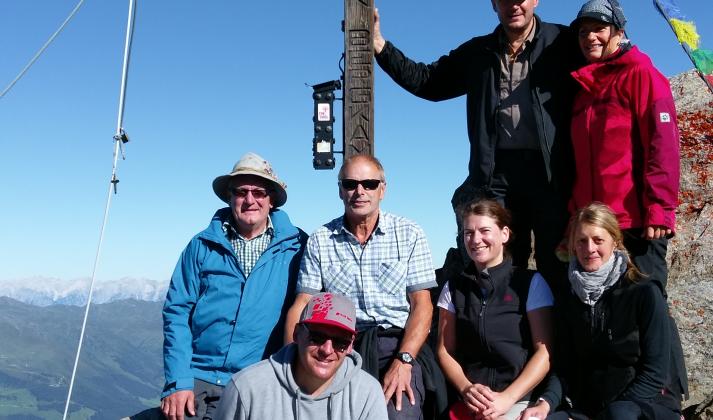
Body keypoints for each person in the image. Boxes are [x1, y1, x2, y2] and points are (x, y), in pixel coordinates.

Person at [373, 0, 581, 292]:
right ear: (494, 4)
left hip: (550, 175)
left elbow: (604, 61)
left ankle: (552, 336)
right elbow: (428, 81)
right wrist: (381, 46)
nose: (514, 5)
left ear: (535, 0)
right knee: (502, 264)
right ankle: (508, 334)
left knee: (555, 263)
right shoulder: (479, 53)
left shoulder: (562, 42)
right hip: (497, 175)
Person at [147, 153, 307, 420]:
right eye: (241, 192)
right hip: (197, 376)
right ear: (230, 197)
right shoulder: (201, 245)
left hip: (261, 378)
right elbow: (177, 313)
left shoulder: (297, 247)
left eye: (259, 192)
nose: (250, 200)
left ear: (272, 200)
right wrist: (178, 382)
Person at [285, 154, 440, 419]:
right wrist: (291, 361)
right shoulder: (321, 239)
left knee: (399, 412)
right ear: (340, 190)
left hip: (396, 343)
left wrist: (404, 361)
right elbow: (302, 304)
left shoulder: (409, 233)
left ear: (383, 189)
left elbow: (421, 304)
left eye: (369, 183)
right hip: (339, 346)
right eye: (350, 184)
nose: (359, 191)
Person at [520, 202, 683, 420]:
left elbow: (656, 373)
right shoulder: (568, 298)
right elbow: (564, 367)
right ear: (573, 246)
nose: (589, 249)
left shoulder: (643, 293)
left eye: (598, 240)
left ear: (615, 241)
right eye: (582, 241)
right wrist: (545, 403)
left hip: (645, 404)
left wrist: (612, 413)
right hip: (589, 408)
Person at [567, 0, 680, 293]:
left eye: (599, 29)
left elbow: (663, 144)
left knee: (647, 310)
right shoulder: (584, 91)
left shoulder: (641, 74)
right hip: (596, 226)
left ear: (618, 32)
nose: (590, 37)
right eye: (583, 32)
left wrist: (660, 207)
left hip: (637, 222)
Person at [437, 200, 555, 420]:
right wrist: (466, 389)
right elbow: (445, 350)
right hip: (470, 399)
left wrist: (507, 399)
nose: (475, 239)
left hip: (518, 399)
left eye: (484, 231)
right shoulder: (453, 288)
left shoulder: (530, 283)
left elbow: (544, 352)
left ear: (504, 234)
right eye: (468, 233)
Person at [213, 292, 388, 420]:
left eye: (340, 342)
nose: (327, 350)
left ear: (350, 345)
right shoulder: (246, 387)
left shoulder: (368, 393)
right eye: (317, 337)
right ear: (296, 334)